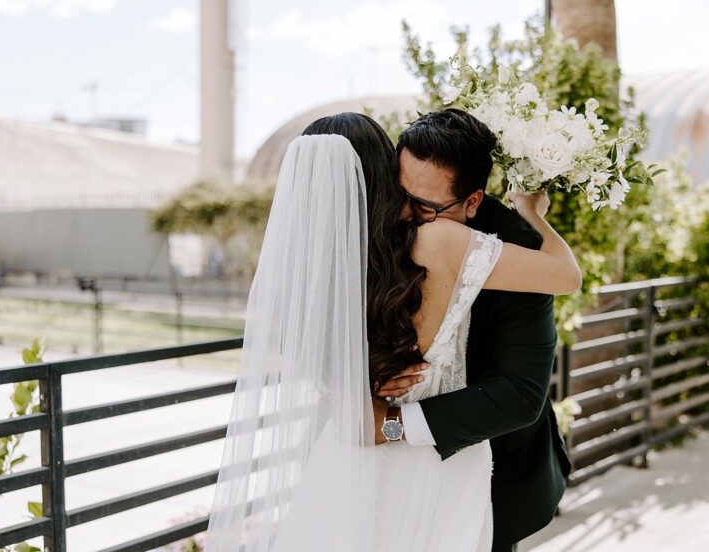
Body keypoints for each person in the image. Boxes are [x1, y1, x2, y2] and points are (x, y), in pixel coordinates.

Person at [205, 110, 580, 552]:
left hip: (347, 456)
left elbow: (328, 367)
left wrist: (366, 400)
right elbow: (566, 275)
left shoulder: (321, 270)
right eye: (402, 192)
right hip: (432, 471)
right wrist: (534, 215)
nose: (410, 210)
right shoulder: (437, 240)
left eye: (422, 203)